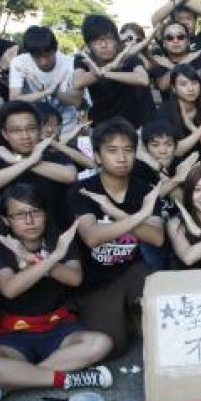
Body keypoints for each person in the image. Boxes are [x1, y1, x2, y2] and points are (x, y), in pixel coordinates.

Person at [0, 184, 112, 401]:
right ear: (6, 220)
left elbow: (74, 278)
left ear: (45, 214)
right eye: (20, 215)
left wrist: (34, 259)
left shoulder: (59, 240)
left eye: (35, 212)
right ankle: (67, 379)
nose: (30, 220)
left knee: (101, 343)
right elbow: (10, 288)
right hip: (15, 334)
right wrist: (49, 260)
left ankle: (14, 382)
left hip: (59, 328)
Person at [68, 118, 164, 356]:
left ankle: (133, 311)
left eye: (128, 150)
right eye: (112, 151)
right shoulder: (83, 190)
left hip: (132, 269)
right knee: (115, 347)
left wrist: (117, 215)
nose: (122, 157)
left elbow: (157, 237)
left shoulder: (143, 190)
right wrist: (138, 217)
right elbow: (92, 237)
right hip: (95, 279)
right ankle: (126, 316)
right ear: (98, 156)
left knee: (161, 328)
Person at [0, 100, 77, 226]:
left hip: (60, 232)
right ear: (5, 134)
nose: (25, 136)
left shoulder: (55, 156)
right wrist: (27, 161)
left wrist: (19, 160)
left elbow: (69, 176)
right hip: (15, 238)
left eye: (31, 128)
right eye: (16, 130)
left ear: (39, 130)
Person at [73, 14, 151, 128]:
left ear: (116, 40)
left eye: (109, 39)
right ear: (88, 44)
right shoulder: (84, 59)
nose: (104, 45)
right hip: (100, 125)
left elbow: (143, 79)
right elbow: (78, 82)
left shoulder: (125, 55)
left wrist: (106, 73)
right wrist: (110, 67)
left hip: (131, 125)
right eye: (97, 41)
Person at [9, 26, 81, 135]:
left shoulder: (70, 63)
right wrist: (45, 92)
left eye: (48, 56)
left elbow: (76, 101)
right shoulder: (19, 63)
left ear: (55, 49)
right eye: (37, 57)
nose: (43, 62)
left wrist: (55, 92)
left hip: (66, 126)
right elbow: (14, 99)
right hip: (35, 127)